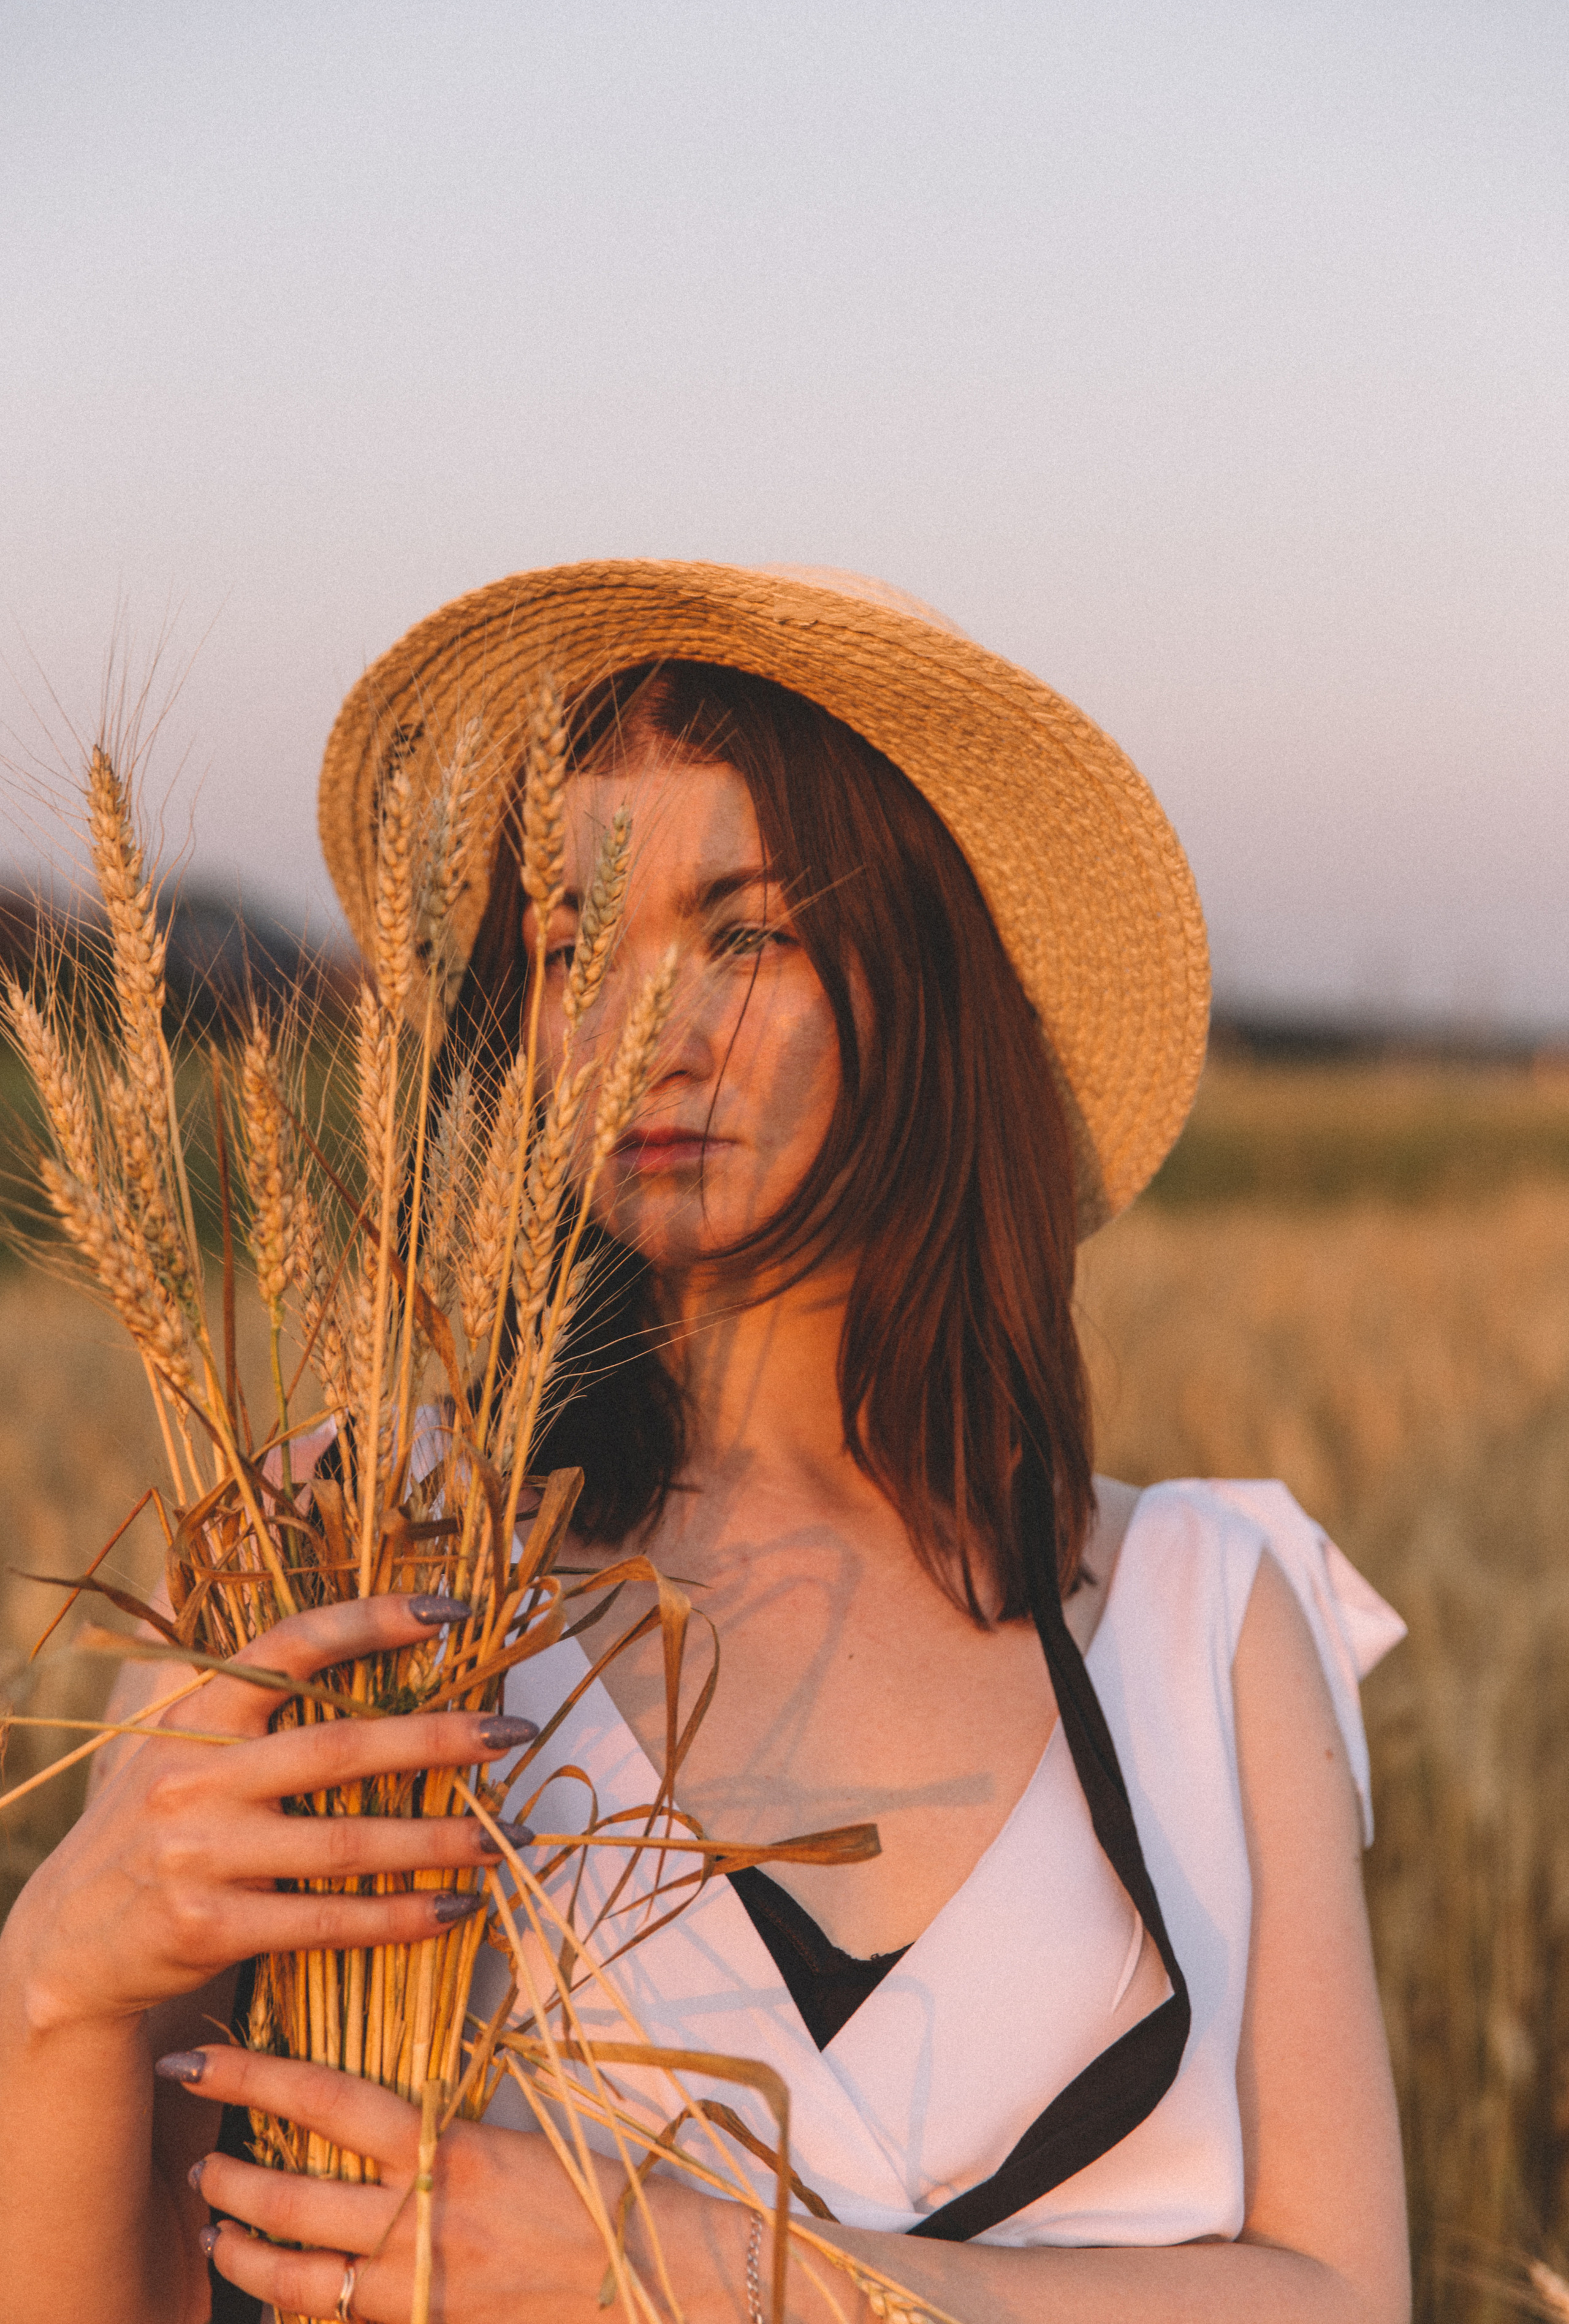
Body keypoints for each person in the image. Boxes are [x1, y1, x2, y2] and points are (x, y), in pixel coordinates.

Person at [0, 563, 1410, 2324]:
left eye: (746, 936)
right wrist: (53, 1991)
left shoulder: (1209, 1616)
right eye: (574, 950)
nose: (642, 1036)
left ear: (928, 988)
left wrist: (673, 2263)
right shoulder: (350, 1549)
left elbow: (1344, 2294)